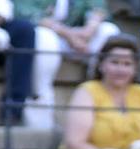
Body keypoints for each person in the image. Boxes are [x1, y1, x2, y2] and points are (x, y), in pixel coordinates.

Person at [16, 0, 121, 129]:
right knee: (46, 39)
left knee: (108, 30)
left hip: (79, 36)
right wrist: (68, 34)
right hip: (47, 35)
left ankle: (102, 102)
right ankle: (40, 109)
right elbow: (25, 12)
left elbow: (98, 7)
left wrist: (89, 30)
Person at [59, 34, 140, 149]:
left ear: (135, 69)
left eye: (127, 64)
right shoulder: (87, 92)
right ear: (101, 65)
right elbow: (75, 145)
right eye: (115, 62)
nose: (121, 69)